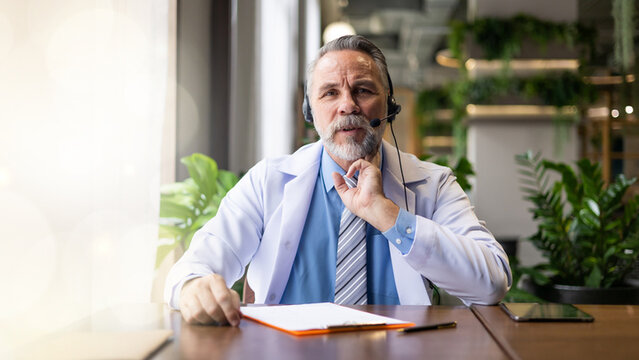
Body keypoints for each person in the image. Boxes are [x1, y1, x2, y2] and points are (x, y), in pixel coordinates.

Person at [164, 35, 511, 326]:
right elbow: (192, 269)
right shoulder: (267, 182)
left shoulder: (432, 184)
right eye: (330, 93)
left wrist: (388, 215)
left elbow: (492, 281)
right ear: (310, 111)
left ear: (388, 105)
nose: (348, 105)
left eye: (363, 90)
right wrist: (193, 288)